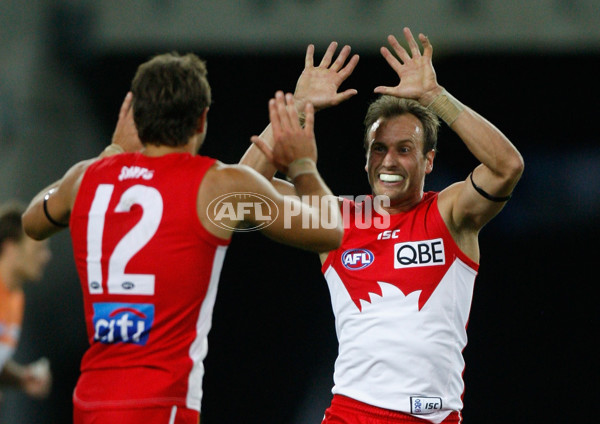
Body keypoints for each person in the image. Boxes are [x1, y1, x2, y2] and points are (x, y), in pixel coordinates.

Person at [22, 52, 343, 424]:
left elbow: (32, 219)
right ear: (202, 120)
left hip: (92, 406)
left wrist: (112, 153)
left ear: (137, 118)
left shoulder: (84, 180)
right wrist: (302, 163)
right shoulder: (217, 186)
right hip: (161, 408)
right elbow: (328, 230)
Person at [240, 27, 524, 423]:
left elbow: (507, 166)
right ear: (366, 159)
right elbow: (241, 195)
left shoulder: (449, 214)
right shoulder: (336, 217)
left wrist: (434, 97)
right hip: (351, 415)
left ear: (428, 161)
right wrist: (299, 104)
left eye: (404, 149)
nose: (388, 161)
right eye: (379, 149)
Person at [0, 202, 52, 402]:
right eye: (39, 248)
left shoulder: (16, 297)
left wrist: (21, 378)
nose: (46, 257)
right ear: (10, 247)